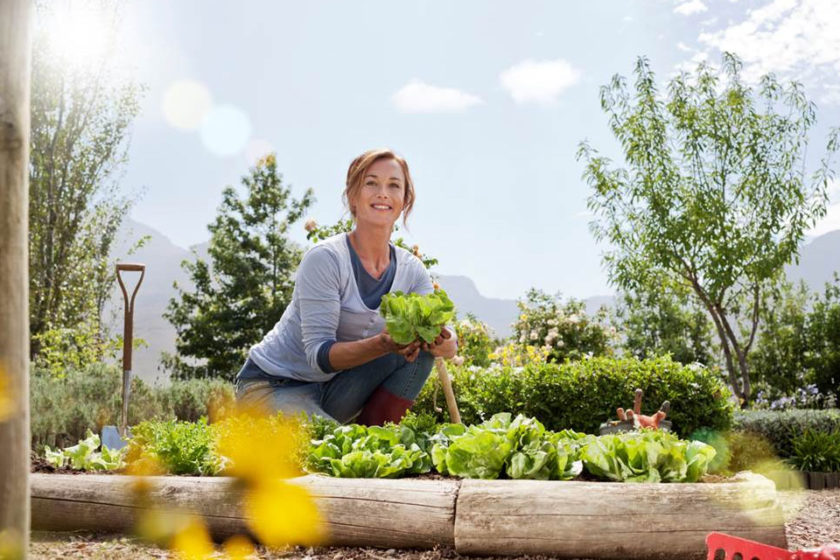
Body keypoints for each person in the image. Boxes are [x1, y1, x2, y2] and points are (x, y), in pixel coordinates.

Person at [234, 148, 457, 425]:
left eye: (393, 186)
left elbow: (450, 340)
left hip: (333, 390)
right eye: (371, 183)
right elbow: (319, 356)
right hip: (274, 385)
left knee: (419, 356)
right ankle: (346, 438)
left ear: (405, 200)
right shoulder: (326, 259)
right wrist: (383, 344)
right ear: (352, 196)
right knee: (329, 444)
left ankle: (376, 437)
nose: (383, 193)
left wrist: (442, 341)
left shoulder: (412, 270)